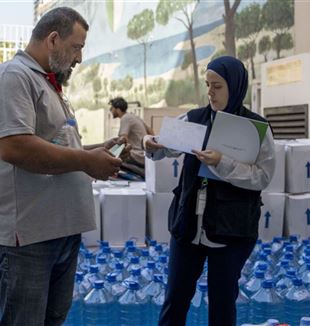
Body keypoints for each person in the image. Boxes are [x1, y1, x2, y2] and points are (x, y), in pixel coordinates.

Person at [0, 7, 130, 326]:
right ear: (54, 40)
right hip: (30, 239)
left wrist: (92, 151)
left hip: (60, 232)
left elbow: (52, 144)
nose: (80, 58)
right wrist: (86, 161)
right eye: (78, 47)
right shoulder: (15, 77)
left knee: (53, 319)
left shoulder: (49, 83)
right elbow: (14, 145)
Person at [143, 56, 276, 326]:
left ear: (236, 86)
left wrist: (222, 163)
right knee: (175, 299)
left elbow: (262, 177)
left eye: (217, 86)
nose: (210, 93)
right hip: (188, 227)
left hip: (232, 229)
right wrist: (150, 144)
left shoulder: (254, 129)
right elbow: (162, 148)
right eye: (207, 85)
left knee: (222, 303)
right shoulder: (194, 119)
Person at [109, 96, 154, 178]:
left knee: (110, 159)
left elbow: (122, 140)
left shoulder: (125, 118)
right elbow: (151, 132)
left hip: (136, 155)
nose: (111, 111)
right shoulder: (134, 116)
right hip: (143, 154)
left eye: (112, 108)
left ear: (118, 109)